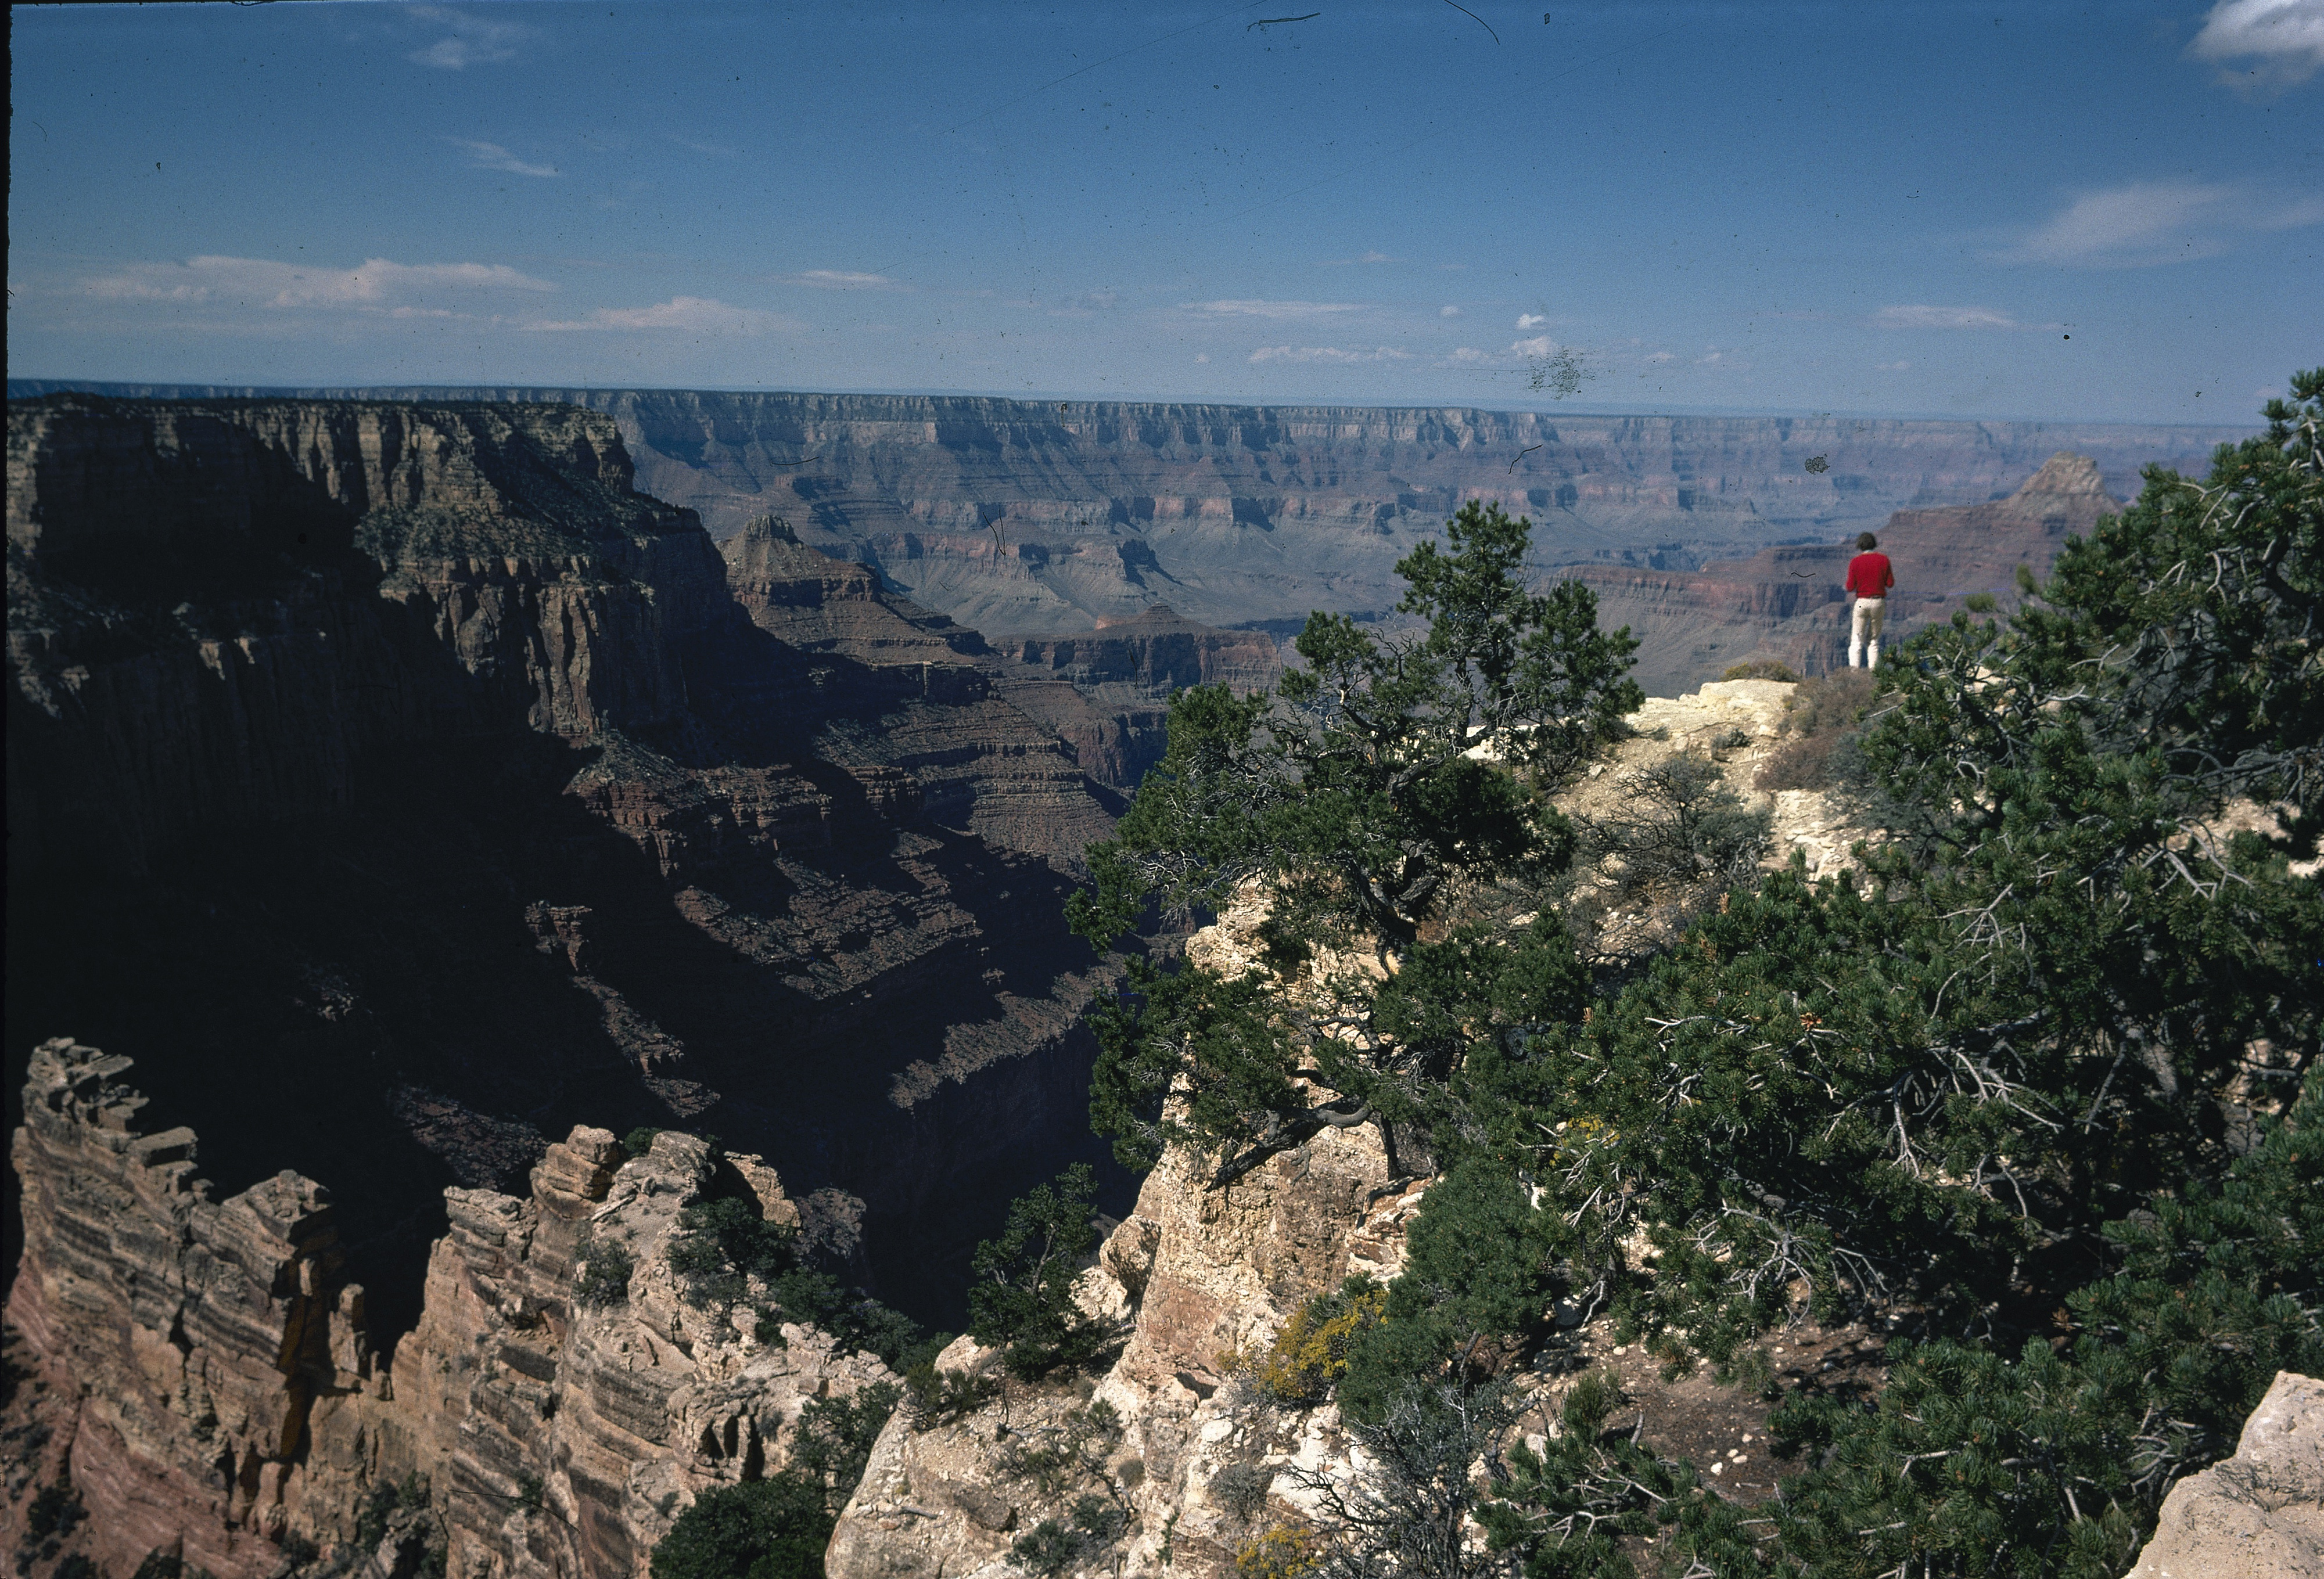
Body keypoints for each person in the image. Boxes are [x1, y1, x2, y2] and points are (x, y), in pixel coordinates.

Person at [1844, 531, 1894, 668]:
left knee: (1856, 640)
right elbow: (1890, 583)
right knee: (1874, 641)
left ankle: (1854, 674)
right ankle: (1874, 674)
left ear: (1860, 545)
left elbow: (1850, 587)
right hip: (1878, 602)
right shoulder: (1884, 560)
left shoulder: (1855, 562)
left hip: (1861, 603)